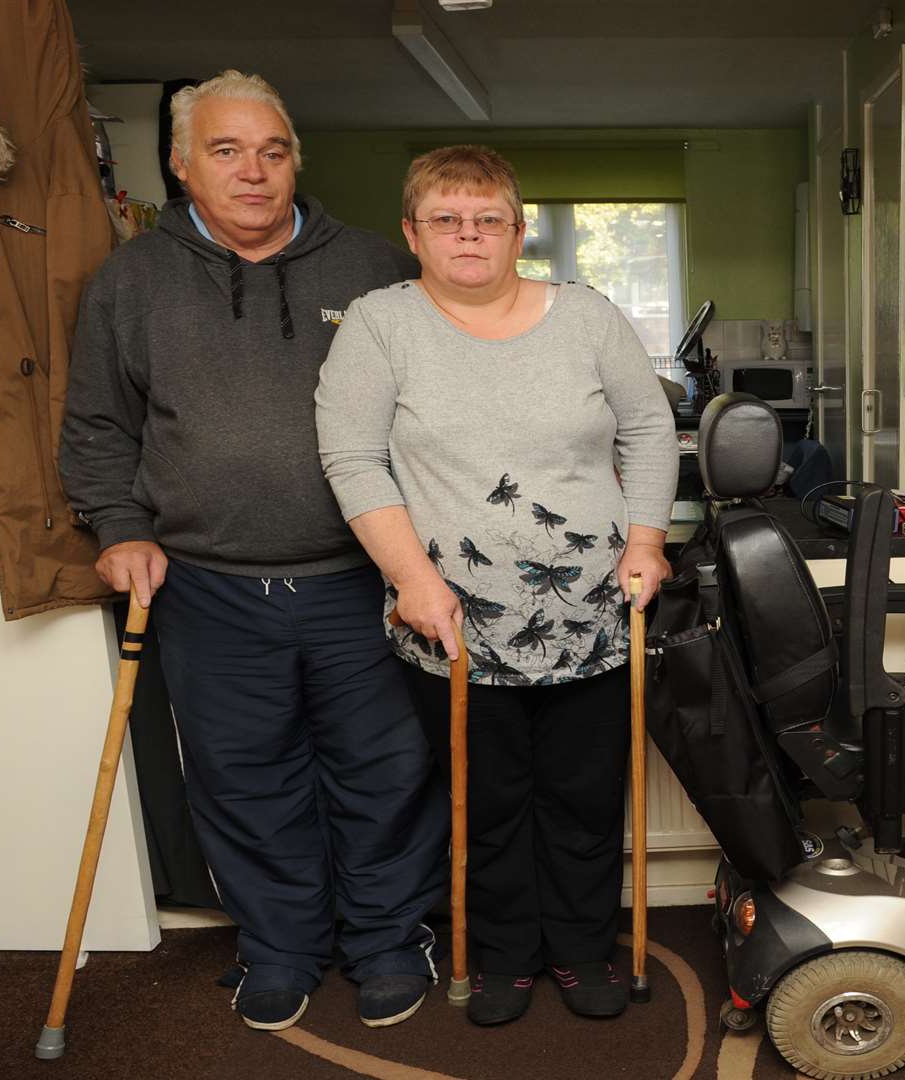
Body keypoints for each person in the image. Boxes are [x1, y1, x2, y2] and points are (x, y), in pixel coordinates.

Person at [60, 70, 440, 1033]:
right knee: (243, 778)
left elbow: (437, 414)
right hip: (210, 588)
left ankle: (389, 940)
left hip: (360, 581)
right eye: (226, 152)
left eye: (273, 151)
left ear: (294, 162)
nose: (254, 172)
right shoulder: (130, 280)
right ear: (183, 167)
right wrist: (122, 527)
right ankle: (279, 947)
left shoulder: (375, 269)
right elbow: (99, 424)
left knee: (385, 770)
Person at [316, 145, 677, 1026]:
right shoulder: (379, 323)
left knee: (584, 797)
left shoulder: (589, 318)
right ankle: (509, 953)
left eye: (487, 219)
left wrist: (647, 541)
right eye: (445, 219)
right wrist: (411, 580)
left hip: (593, 613)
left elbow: (649, 428)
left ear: (518, 230)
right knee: (490, 800)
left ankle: (583, 948)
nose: (467, 235)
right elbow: (351, 456)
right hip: (448, 622)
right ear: (412, 232)